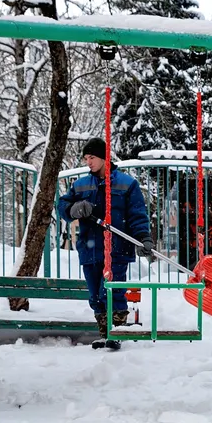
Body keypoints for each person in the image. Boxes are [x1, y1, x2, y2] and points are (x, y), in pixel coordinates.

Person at [57, 139, 154, 333]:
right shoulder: (81, 185)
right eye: (86, 158)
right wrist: (73, 208)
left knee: (111, 290)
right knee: (95, 294)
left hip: (117, 248)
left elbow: (137, 214)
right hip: (90, 248)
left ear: (104, 157)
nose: (88, 162)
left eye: (92, 157)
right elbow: (62, 207)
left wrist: (143, 237)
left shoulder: (127, 184)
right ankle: (105, 330)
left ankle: (117, 329)